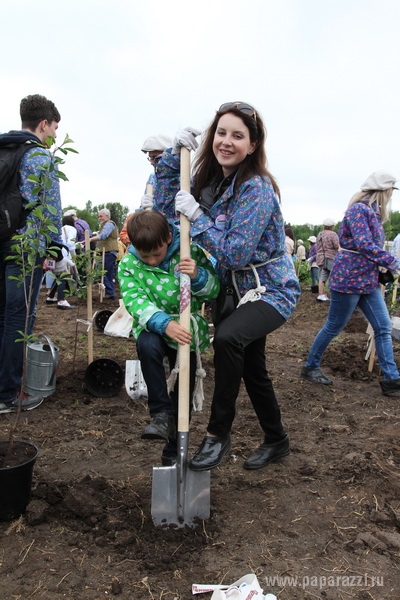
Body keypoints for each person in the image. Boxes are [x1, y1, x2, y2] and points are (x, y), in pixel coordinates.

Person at [154, 101, 301, 471]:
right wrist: (174, 158)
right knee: (252, 368)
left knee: (229, 339)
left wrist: (198, 216)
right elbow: (163, 203)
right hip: (235, 292)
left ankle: (218, 434)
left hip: (271, 289)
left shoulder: (257, 188)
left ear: (252, 145)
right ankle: (277, 439)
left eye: (238, 136)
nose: (227, 141)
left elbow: (235, 252)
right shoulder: (212, 181)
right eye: (221, 132)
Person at [118, 210, 219, 465]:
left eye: (157, 254)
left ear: (168, 238)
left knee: (183, 389)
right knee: (147, 345)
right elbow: (135, 301)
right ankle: (160, 414)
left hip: (186, 330)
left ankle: (174, 449)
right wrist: (164, 323)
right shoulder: (129, 265)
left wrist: (197, 276)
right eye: (145, 256)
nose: (151, 261)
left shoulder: (188, 251)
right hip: (154, 326)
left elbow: (213, 291)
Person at [300, 171, 400, 396]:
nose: (391, 196)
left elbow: (368, 246)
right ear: (383, 191)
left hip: (368, 279)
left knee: (383, 327)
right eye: (390, 192)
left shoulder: (373, 213)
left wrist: (384, 264)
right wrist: (393, 262)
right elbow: (364, 244)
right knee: (334, 325)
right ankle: (310, 366)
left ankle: (392, 380)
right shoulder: (358, 210)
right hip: (349, 276)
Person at [0, 94, 64, 413]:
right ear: (43, 124)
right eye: (53, 128)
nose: (53, 135)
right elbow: (49, 209)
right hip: (25, 249)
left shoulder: (4, 148)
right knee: (18, 317)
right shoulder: (40, 157)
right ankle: (8, 393)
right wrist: (56, 248)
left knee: (2, 314)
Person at [46, 215, 77, 309]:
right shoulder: (72, 229)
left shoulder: (58, 228)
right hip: (62, 255)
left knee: (57, 276)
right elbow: (71, 244)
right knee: (62, 276)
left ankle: (51, 297)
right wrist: (74, 256)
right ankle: (61, 300)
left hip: (51, 254)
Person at [89, 208, 119, 300]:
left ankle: (110, 292)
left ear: (107, 215)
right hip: (108, 252)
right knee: (108, 274)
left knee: (101, 272)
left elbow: (103, 236)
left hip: (109, 252)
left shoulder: (109, 224)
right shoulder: (105, 225)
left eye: (101, 216)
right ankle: (111, 293)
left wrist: (90, 239)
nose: (99, 218)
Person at [139, 134, 173, 210]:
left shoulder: (183, 177)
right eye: (150, 158)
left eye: (155, 157)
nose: (151, 162)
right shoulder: (152, 178)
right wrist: (142, 208)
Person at [316, 217, 339, 302]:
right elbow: (336, 246)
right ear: (332, 226)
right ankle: (333, 294)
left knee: (322, 277)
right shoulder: (333, 234)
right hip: (330, 257)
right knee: (333, 276)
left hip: (320, 257)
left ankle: (321, 294)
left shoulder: (320, 234)